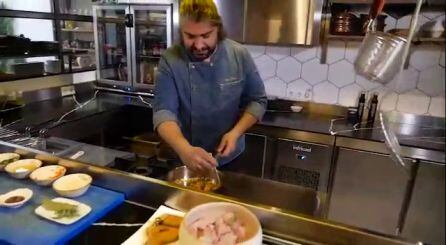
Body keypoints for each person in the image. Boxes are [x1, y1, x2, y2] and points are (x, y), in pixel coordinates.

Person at [153, 0, 267, 172]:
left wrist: (235, 133)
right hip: (185, 159)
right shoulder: (170, 59)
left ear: (218, 31)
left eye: (206, 36)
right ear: (181, 32)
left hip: (230, 159)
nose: (198, 45)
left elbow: (258, 101)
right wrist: (184, 149)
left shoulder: (238, 55)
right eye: (190, 36)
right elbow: (163, 112)